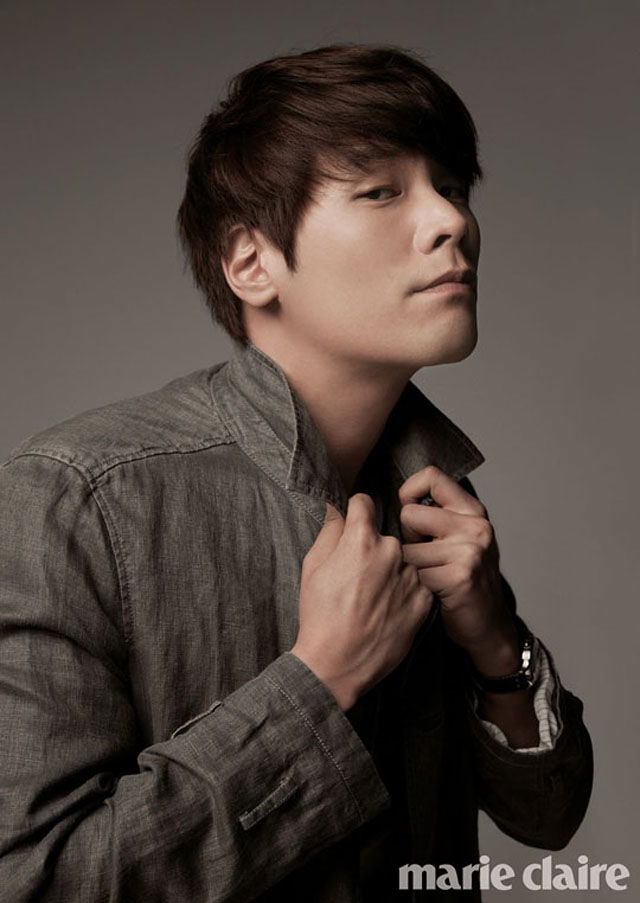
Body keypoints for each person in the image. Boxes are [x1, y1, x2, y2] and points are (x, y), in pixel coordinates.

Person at [0, 43, 592, 902]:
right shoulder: (82, 496)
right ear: (251, 263)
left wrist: (498, 643)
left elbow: (549, 816)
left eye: (452, 187)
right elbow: (32, 879)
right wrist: (318, 681)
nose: (451, 221)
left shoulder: (435, 501)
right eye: (381, 191)